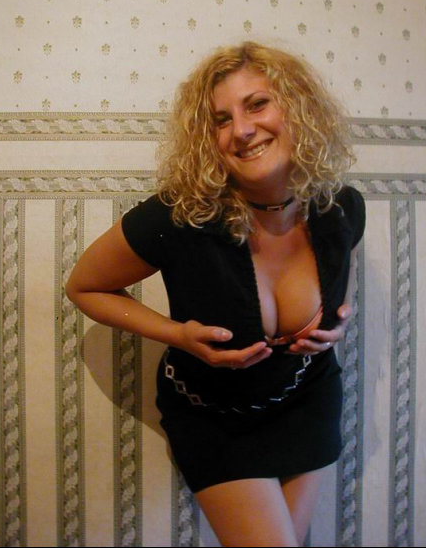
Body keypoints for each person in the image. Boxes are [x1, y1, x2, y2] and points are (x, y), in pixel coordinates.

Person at [66, 41, 365, 547]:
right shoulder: (177, 217)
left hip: (308, 400)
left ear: (300, 108)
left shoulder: (341, 207)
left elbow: (339, 277)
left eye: (257, 104)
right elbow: (84, 286)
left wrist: (337, 319)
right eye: (221, 120)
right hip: (213, 415)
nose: (241, 130)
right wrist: (178, 335)